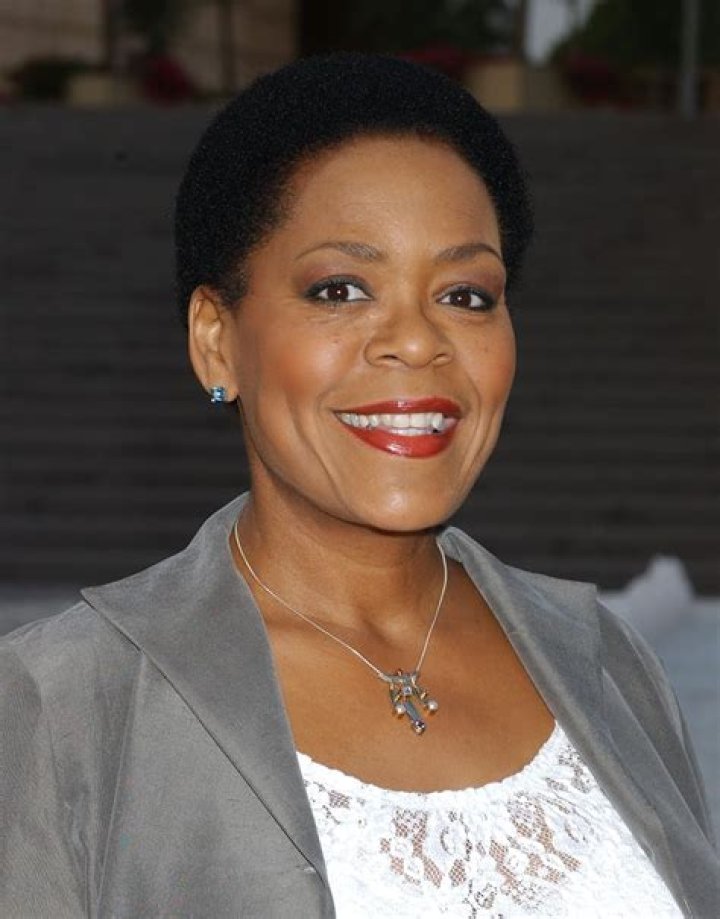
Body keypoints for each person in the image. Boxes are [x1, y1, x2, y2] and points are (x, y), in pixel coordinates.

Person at [1, 53, 717, 918]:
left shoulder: (609, 664)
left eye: (466, 294)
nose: (416, 341)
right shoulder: (65, 703)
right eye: (340, 288)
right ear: (217, 340)